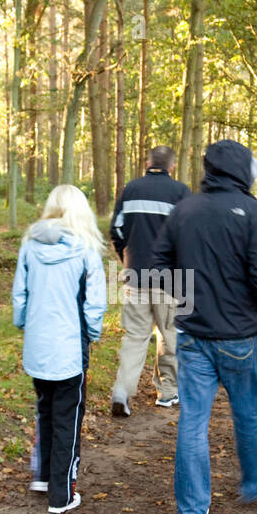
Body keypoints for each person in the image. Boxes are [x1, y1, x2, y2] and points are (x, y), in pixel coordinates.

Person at [152, 139, 257, 514]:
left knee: (193, 419)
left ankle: (191, 511)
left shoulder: (184, 209)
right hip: (241, 335)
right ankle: (254, 482)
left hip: (194, 334)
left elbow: (158, 265)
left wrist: (187, 298)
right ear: (243, 171)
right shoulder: (255, 214)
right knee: (247, 413)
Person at [12, 185, 107, 514]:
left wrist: (26, 326)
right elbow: (94, 305)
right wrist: (92, 335)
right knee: (69, 417)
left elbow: (19, 296)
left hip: (38, 346)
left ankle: (42, 476)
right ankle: (62, 494)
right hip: (70, 347)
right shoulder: (86, 250)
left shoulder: (29, 245)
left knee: (46, 409)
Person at [109, 145, 190, 417]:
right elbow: (188, 235)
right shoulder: (181, 192)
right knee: (170, 335)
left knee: (135, 337)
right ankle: (167, 393)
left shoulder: (131, 189)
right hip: (173, 279)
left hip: (136, 275)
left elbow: (116, 229)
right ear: (172, 167)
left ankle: (122, 390)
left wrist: (126, 258)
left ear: (147, 162)